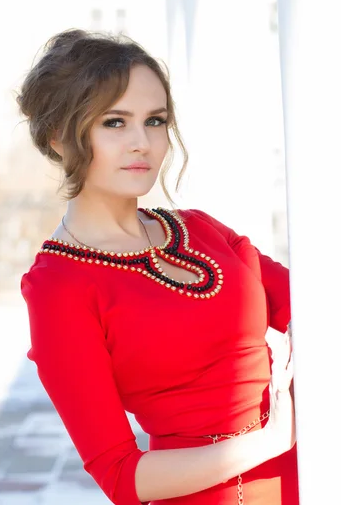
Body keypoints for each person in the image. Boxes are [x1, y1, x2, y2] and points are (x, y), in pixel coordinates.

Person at [18, 28, 299, 505]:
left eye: (155, 120)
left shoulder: (202, 231)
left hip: (313, 480)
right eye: (113, 122)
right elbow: (122, 476)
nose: (142, 143)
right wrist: (269, 441)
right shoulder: (58, 287)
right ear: (59, 136)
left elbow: (316, 308)